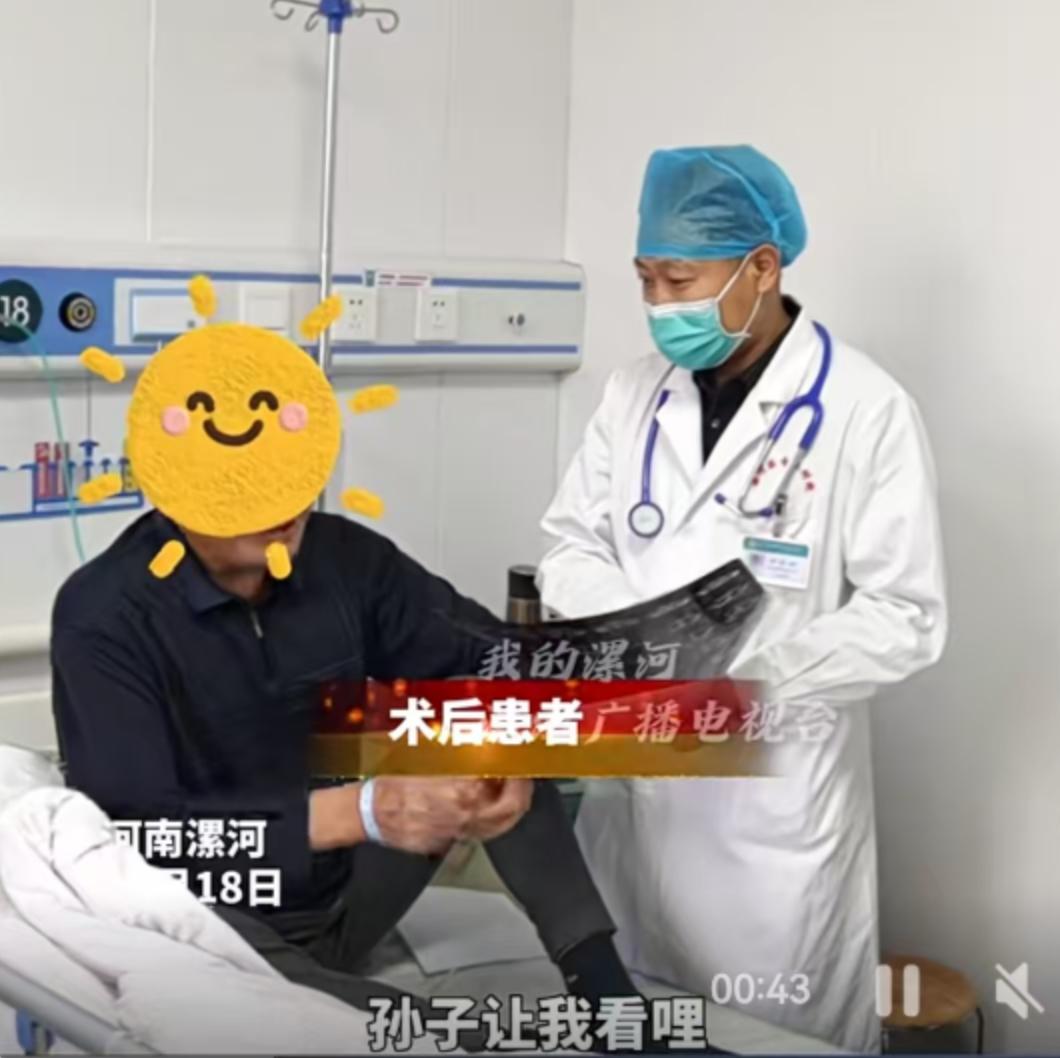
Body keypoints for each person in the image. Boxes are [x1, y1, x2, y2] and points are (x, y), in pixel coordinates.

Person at [537, 145, 948, 1053]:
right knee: (629, 1020)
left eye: (680, 280)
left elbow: (906, 615)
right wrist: (640, 638)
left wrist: (744, 679)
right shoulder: (633, 394)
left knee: (766, 1037)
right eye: (645, 278)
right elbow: (570, 546)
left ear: (762, 267)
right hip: (635, 792)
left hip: (771, 820)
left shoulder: (864, 407)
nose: (659, 304)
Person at [50, 507, 646, 1050]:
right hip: (218, 925)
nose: (285, 503)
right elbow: (140, 838)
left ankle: (611, 1004)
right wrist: (359, 812)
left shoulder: (343, 558)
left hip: (341, 899)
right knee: (342, 1019)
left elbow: (489, 658)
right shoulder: (105, 615)